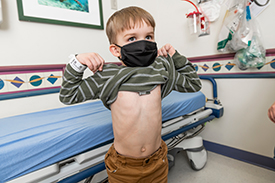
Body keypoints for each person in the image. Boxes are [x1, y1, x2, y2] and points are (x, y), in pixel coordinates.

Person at [59, 6, 201, 183]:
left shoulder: (161, 70)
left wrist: (176, 56)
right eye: (132, 38)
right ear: (116, 50)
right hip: (124, 166)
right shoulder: (108, 76)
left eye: (148, 36)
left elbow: (193, 84)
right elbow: (68, 95)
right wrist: (77, 63)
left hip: (158, 160)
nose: (143, 43)